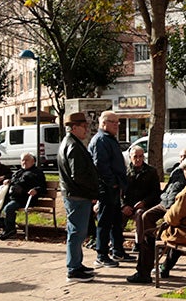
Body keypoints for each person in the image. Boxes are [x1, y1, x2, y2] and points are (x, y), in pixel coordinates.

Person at [127, 153, 186, 284]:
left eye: (184, 171)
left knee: (147, 234)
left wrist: (166, 217)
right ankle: (164, 267)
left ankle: (144, 273)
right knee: (152, 219)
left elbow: (172, 219)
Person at [58, 111, 101, 283]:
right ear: (73, 127)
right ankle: (74, 269)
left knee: (76, 231)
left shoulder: (69, 143)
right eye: (83, 126)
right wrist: (92, 192)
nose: (86, 130)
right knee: (77, 232)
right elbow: (79, 175)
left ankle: (76, 264)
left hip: (74, 194)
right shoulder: (74, 146)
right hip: (77, 196)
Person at [137, 147, 186, 275]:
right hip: (163, 202)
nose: (183, 159)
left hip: (174, 207)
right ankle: (149, 241)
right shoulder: (176, 170)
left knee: (162, 226)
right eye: (181, 156)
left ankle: (149, 249)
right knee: (146, 216)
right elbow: (168, 187)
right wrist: (162, 196)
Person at [89, 110, 128, 267]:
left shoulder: (109, 139)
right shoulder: (101, 140)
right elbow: (101, 165)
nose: (117, 125)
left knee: (115, 220)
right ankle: (101, 254)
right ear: (103, 123)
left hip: (114, 187)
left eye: (118, 122)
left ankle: (118, 250)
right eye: (113, 122)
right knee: (104, 221)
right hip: (106, 188)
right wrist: (112, 183)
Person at [0, 152, 46, 240]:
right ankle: (4, 227)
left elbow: (42, 187)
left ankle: (10, 229)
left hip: (24, 198)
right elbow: (12, 179)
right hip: (10, 197)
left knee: (8, 208)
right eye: (22, 160)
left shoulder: (37, 172)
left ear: (33, 161)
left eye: (27, 160)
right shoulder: (19, 172)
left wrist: (36, 190)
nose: (24, 162)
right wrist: (7, 180)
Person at [120, 146, 162, 262]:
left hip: (143, 205)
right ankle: (117, 245)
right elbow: (119, 192)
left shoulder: (151, 172)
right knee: (118, 216)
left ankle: (139, 244)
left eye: (140, 156)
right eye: (135, 157)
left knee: (140, 215)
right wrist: (123, 205)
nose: (138, 159)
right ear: (130, 158)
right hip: (128, 205)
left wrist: (144, 202)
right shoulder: (124, 172)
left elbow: (155, 193)